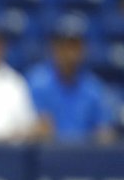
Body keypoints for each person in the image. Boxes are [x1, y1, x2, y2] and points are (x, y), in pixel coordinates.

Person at [26, 14, 117, 144]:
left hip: (85, 158)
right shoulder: (37, 82)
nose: (70, 53)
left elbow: (105, 130)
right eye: (65, 46)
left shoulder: (93, 88)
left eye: (75, 46)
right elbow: (26, 125)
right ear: (55, 48)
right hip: (47, 157)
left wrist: (104, 135)